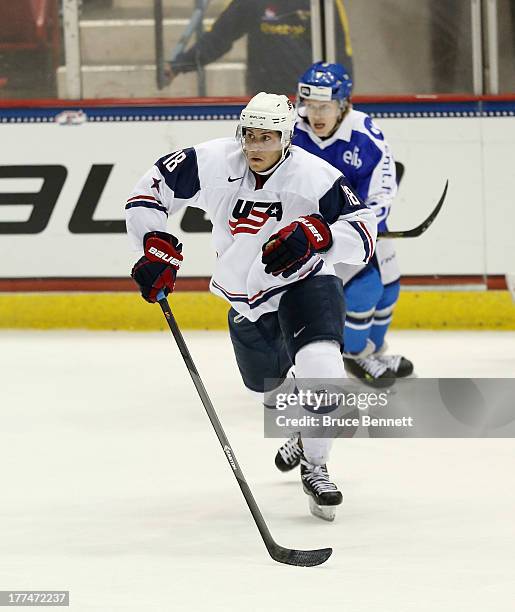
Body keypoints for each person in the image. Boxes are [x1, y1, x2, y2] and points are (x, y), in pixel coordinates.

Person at [126, 92, 376, 521]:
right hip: (245, 294)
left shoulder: (315, 176)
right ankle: (303, 420)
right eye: (250, 136)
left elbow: (363, 230)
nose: (256, 147)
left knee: (323, 372)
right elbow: (152, 188)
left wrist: (319, 236)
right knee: (265, 389)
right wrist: (152, 244)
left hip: (306, 282)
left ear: (287, 138)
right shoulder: (214, 161)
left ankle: (315, 465)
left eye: (268, 138)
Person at [292, 61, 414, 387]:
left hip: (359, 223)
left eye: (325, 106)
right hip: (309, 233)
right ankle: (352, 356)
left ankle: (372, 351)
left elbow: (383, 186)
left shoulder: (363, 132)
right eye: (309, 105)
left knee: (389, 289)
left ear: (343, 104)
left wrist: (370, 222)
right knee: (365, 288)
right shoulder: (290, 131)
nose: (315, 114)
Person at [166, 0, 353, 95]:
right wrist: (180, 65)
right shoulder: (252, 1)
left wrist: (344, 96)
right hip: (263, 99)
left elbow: (340, 50)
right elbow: (219, 36)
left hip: (308, 98)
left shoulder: (323, 3)